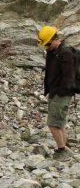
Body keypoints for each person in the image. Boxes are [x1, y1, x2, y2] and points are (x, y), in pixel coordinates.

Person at [38, 25, 76, 159]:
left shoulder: (66, 53)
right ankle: (65, 147)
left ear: (54, 39)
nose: (46, 47)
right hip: (55, 92)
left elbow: (69, 77)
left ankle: (61, 151)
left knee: (53, 124)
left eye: (47, 44)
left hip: (61, 94)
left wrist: (59, 92)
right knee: (59, 123)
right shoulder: (54, 51)